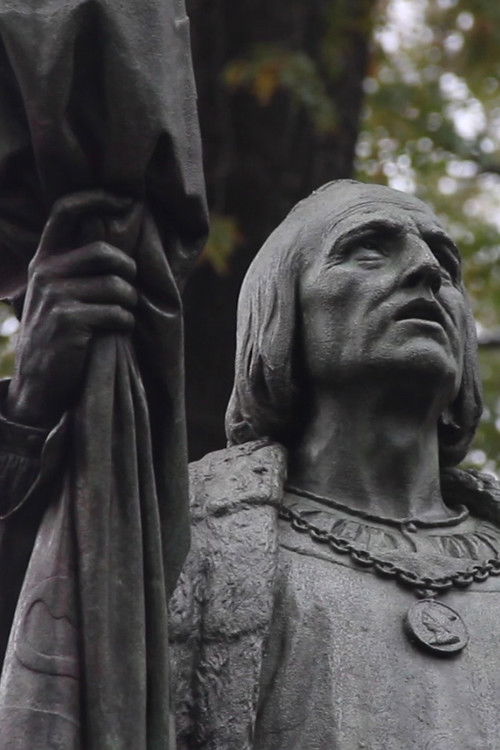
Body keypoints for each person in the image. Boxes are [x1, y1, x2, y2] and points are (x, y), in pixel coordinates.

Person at [2, 180, 500, 749]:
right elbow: (42, 675)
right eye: (367, 249)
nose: (427, 270)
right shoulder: (174, 534)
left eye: (447, 264)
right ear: (280, 315)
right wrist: (32, 410)